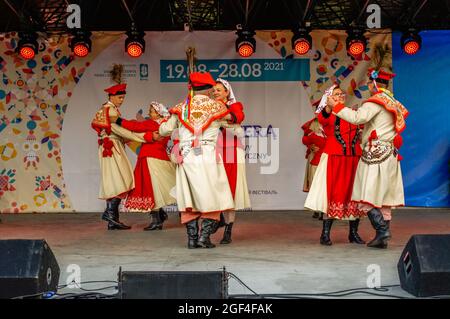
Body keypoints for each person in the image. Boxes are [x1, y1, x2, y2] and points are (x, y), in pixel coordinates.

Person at [328, 67, 408, 249]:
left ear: (373, 84)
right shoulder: (393, 101)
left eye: (368, 83)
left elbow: (358, 118)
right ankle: (382, 237)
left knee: (366, 193)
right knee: (384, 196)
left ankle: (382, 231)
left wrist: (337, 107)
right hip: (390, 153)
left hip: (375, 154)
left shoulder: (374, 102)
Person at [159, 71, 235, 249]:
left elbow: (164, 130)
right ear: (209, 89)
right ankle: (204, 238)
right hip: (207, 155)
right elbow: (234, 120)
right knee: (212, 197)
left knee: (188, 198)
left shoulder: (181, 108)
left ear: (192, 88)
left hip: (186, 156)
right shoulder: (217, 107)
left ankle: (192, 239)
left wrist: (167, 122)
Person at [304, 85, 366, 245]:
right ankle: (325, 234)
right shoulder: (329, 114)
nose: (341, 96)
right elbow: (323, 118)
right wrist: (329, 105)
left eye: (341, 94)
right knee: (333, 193)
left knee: (354, 194)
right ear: (329, 97)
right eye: (336, 94)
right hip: (335, 158)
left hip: (353, 159)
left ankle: (353, 233)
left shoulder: (352, 113)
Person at [91, 65, 149, 230]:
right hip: (111, 146)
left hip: (112, 145)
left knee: (117, 179)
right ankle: (110, 215)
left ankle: (112, 220)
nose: (121, 100)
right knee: (120, 179)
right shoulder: (110, 111)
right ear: (111, 96)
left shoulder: (110, 109)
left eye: (123, 97)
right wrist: (143, 137)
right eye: (119, 97)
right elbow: (120, 130)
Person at [115, 102, 176, 231]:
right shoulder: (166, 125)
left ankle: (157, 220)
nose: (149, 113)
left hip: (150, 158)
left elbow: (135, 126)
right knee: (158, 189)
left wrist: (118, 120)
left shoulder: (151, 123)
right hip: (162, 158)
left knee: (151, 189)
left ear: (158, 113)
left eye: (152, 111)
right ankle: (160, 215)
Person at [213, 78, 251, 244]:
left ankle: (228, 230)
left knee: (230, 188)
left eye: (219, 90)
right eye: (213, 90)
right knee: (215, 187)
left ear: (227, 92)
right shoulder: (209, 107)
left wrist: (219, 116)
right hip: (213, 151)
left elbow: (238, 117)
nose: (215, 93)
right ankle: (220, 217)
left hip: (231, 152)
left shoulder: (235, 105)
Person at [301, 115, 327, 219]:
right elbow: (305, 139)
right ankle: (318, 209)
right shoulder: (317, 134)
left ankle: (318, 209)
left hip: (321, 160)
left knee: (318, 184)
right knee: (317, 184)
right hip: (317, 160)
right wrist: (310, 146)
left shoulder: (325, 134)